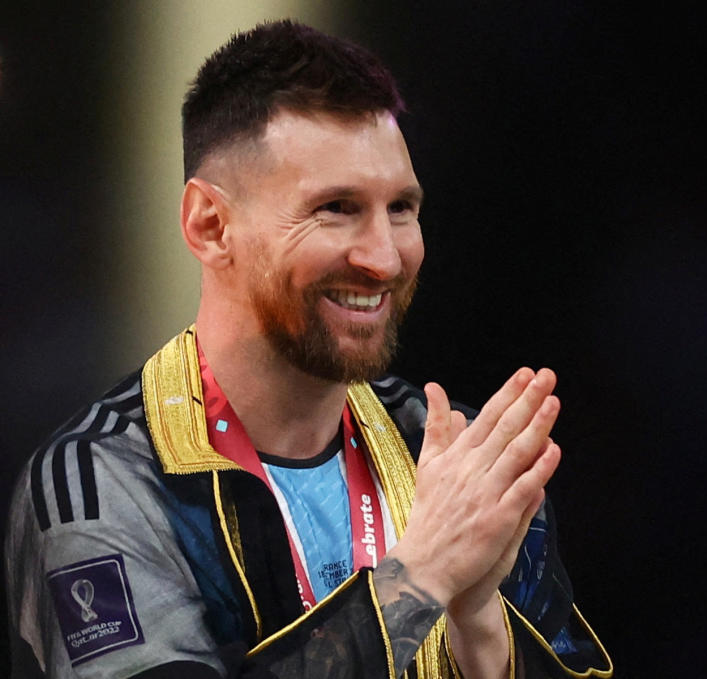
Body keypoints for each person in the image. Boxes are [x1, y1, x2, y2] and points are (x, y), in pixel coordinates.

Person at [4, 19, 613, 679]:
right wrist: (424, 573)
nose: (383, 258)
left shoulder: (452, 463)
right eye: (336, 208)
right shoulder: (101, 484)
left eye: (402, 208)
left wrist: (479, 625)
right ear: (210, 225)